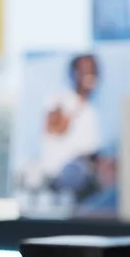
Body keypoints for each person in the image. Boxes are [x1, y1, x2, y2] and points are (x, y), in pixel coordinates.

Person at [20, 52, 111, 206]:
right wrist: (77, 108)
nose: (90, 75)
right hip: (58, 174)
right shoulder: (58, 99)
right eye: (85, 70)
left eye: (93, 70)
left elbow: (92, 152)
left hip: (84, 176)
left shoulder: (92, 112)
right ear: (74, 73)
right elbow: (56, 128)